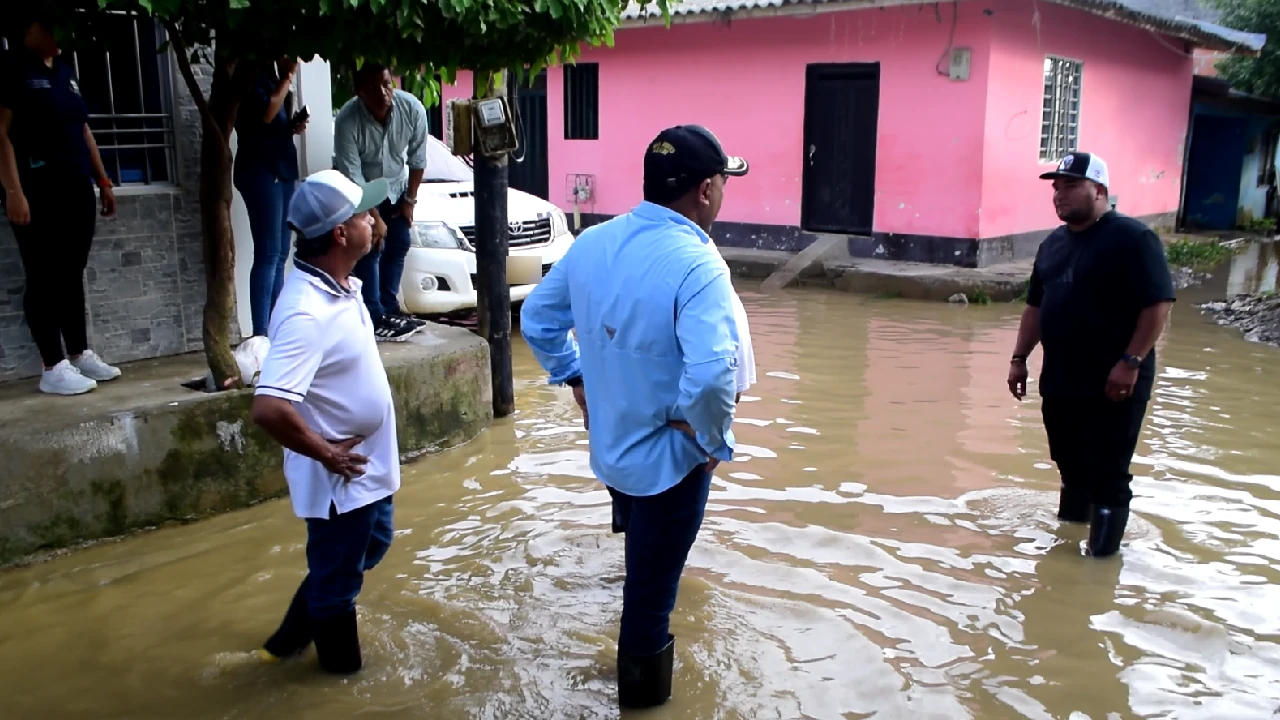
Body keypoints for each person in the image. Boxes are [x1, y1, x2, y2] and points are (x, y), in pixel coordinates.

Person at [521, 124, 749, 709]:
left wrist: (576, 377)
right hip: (671, 464)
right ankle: (642, 702)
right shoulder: (699, 266)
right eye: (724, 182)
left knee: (642, 567)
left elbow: (539, 321)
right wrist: (709, 441)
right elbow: (713, 377)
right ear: (704, 189)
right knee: (650, 605)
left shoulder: (594, 243)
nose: (724, 193)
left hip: (613, 451)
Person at [249, 168, 399, 674]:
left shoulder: (341, 284)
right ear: (340, 234)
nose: (374, 218)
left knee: (373, 544)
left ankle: (288, 641)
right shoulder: (305, 312)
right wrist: (328, 452)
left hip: (366, 470)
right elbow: (269, 407)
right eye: (363, 213)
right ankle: (339, 679)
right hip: (341, 477)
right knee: (337, 585)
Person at [1007, 152, 1175, 558]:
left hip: (1115, 378)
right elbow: (1036, 307)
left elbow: (1158, 305)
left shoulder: (1133, 239)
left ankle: (1100, 564)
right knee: (1068, 463)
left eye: (1070, 186)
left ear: (1099, 191)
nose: (1059, 195)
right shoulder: (1052, 244)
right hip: (1062, 376)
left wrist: (1131, 361)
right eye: (1056, 188)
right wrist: (1019, 357)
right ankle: (1068, 545)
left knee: (1108, 471)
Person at [0, 7, 121, 395]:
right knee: (44, 274)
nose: (59, 35)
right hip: (36, 190)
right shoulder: (12, 68)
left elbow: (82, 128)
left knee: (71, 271)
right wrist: (14, 192)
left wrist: (102, 179)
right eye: (52, 27)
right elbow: (0, 135)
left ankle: (80, 352)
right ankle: (53, 365)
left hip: (76, 189)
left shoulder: (65, 72)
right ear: (30, 28)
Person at [333, 63, 429, 341]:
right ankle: (373, 315)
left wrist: (409, 200)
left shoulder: (412, 109)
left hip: (397, 187)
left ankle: (389, 308)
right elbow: (352, 173)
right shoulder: (348, 120)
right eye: (374, 88)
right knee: (371, 244)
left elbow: (418, 160)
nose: (384, 93)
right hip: (362, 190)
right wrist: (374, 216)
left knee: (399, 240)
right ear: (360, 92)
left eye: (387, 84)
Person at [234, 57, 307, 338]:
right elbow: (264, 114)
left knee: (281, 253)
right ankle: (261, 333)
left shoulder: (271, 73)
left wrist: (292, 125)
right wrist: (287, 78)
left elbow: (272, 123)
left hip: (282, 167)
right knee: (267, 253)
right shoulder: (252, 71)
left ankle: (276, 325)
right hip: (261, 170)